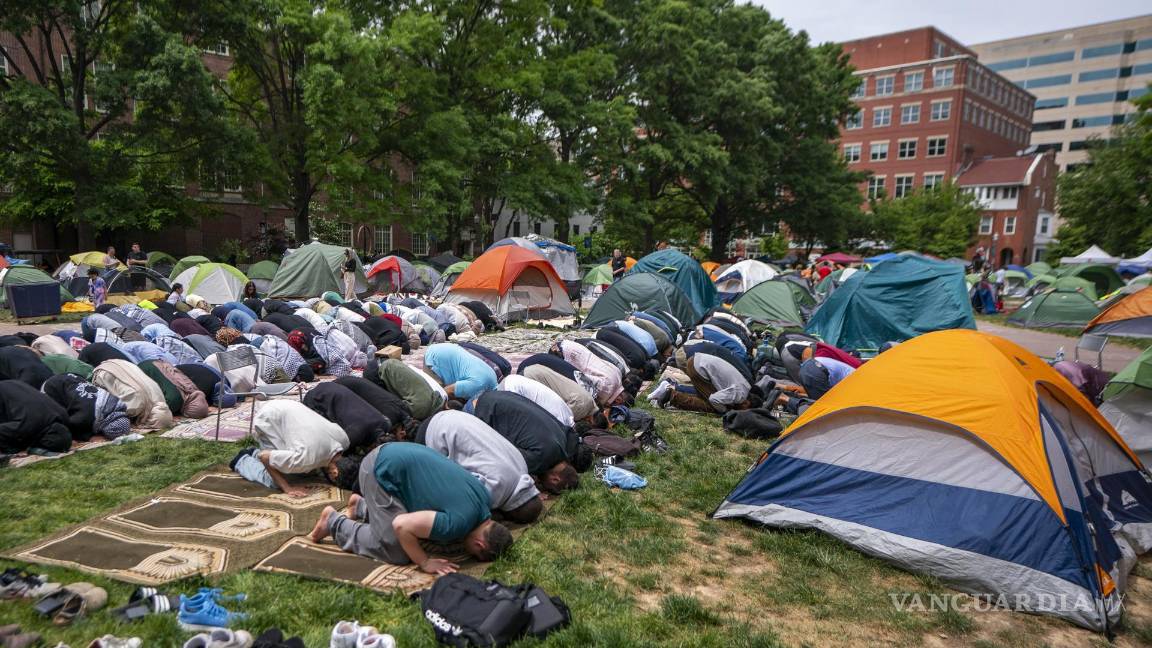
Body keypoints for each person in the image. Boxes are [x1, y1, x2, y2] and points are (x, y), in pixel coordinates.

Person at [310, 443, 514, 574]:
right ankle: (334, 522)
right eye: (475, 555)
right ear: (480, 544)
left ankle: (362, 507)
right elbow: (402, 525)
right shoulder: (457, 524)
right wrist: (424, 563)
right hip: (378, 471)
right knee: (395, 550)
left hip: (393, 455)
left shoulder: (485, 501)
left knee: (417, 529)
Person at [415, 411, 543, 522]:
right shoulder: (495, 492)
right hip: (434, 434)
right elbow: (456, 491)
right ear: (512, 512)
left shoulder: (523, 468)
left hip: (452, 418)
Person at [469, 390, 587, 495]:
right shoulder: (541, 459)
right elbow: (505, 462)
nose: (543, 486)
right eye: (548, 488)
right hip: (478, 410)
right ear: (555, 479)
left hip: (492, 395)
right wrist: (529, 493)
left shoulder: (561, 442)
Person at [230, 400, 353, 497]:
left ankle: (254, 452)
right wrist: (287, 488)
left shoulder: (344, 441)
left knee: (300, 468)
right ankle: (242, 460)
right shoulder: (305, 460)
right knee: (275, 479)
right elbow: (265, 457)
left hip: (287, 405)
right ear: (334, 472)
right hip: (269, 418)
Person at [424, 343, 498, 401]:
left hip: (447, 349)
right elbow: (447, 390)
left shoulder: (493, 377)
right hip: (436, 357)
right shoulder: (477, 385)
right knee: (435, 396)